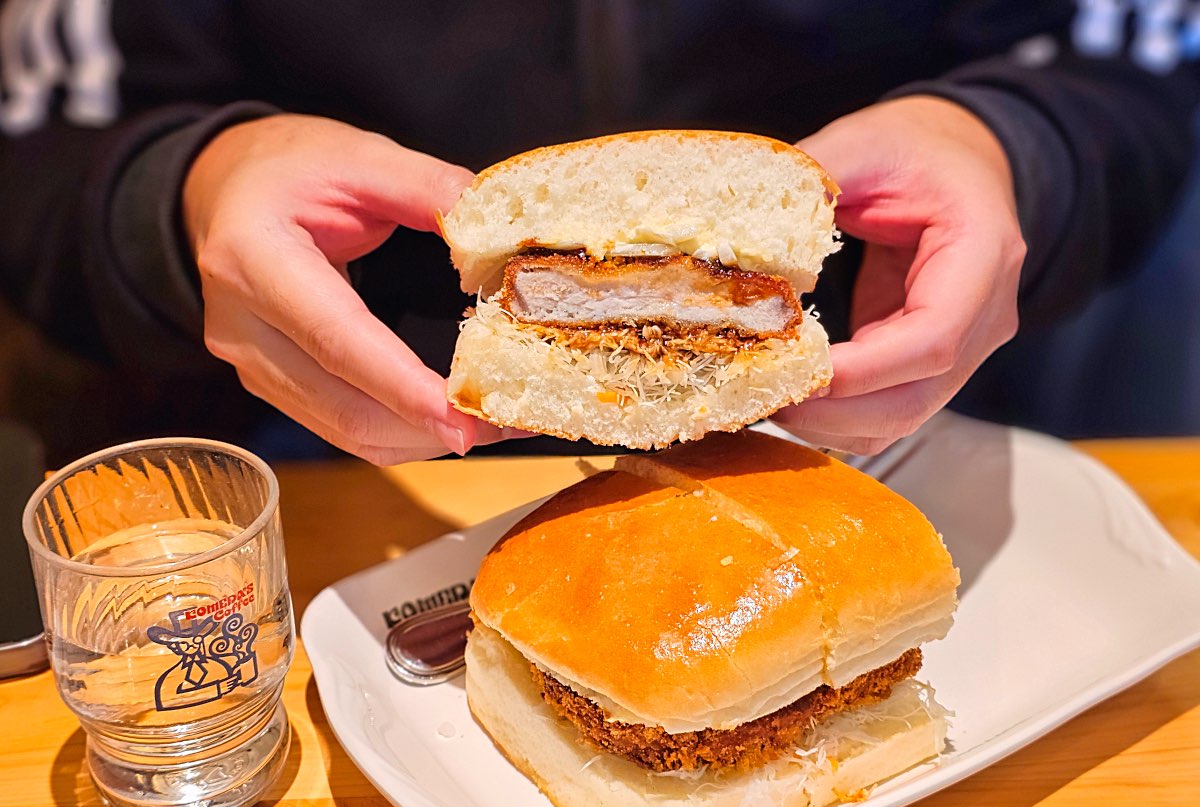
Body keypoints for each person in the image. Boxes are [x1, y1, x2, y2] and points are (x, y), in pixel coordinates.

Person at [0, 1, 1196, 465]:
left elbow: (1136, 56)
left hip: (906, 417)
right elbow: (44, 137)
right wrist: (185, 189)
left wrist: (1009, 145)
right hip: (320, 446)